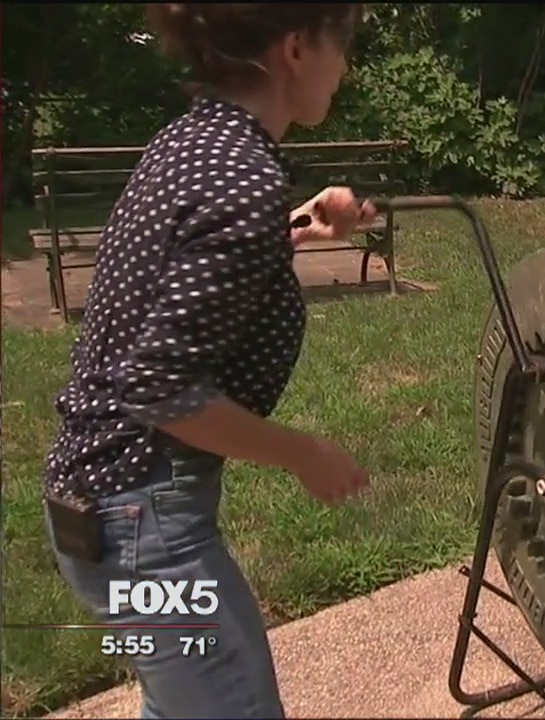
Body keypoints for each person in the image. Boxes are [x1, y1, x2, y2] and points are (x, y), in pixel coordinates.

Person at [42, 4, 374, 718]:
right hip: (142, 520)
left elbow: (184, 265)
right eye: (342, 43)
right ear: (295, 48)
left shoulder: (193, 142)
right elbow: (158, 388)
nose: (346, 66)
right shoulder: (242, 180)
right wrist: (304, 454)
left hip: (105, 506)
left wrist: (293, 228)